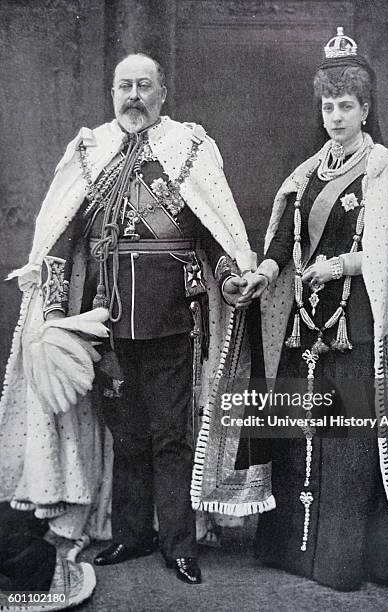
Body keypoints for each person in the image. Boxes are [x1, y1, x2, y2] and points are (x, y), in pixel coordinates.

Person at [0, 53, 256, 585]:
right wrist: (52, 314)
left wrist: (230, 273)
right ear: (112, 93)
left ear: (163, 92)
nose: (133, 96)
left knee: (172, 435)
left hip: (173, 318)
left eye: (144, 86)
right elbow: (59, 240)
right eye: (124, 86)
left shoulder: (189, 148)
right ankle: (130, 534)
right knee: (127, 434)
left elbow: (214, 228)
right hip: (106, 321)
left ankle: (178, 544)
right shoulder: (90, 151)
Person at [239, 28, 388, 597]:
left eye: (346, 106)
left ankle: (342, 564)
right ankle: (292, 553)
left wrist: (338, 268)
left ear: (365, 109)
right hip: (303, 326)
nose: (335, 116)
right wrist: (266, 272)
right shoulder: (307, 172)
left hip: (359, 328)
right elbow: (284, 242)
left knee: (347, 447)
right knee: (298, 439)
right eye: (328, 106)